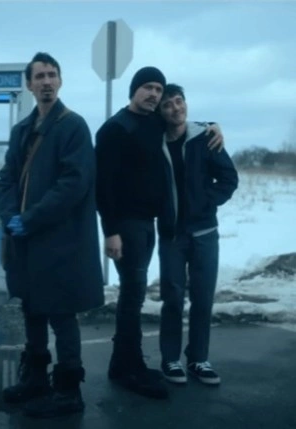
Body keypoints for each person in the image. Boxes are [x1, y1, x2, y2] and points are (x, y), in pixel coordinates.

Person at [94, 67, 224, 400]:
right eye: (148, 87)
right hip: (126, 225)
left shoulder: (152, 122)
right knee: (132, 294)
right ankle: (129, 367)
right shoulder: (114, 129)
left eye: (158, 89)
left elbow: (181, 122)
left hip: (148, 223)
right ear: (134, 90)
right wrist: (110, 231)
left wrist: (213, 125)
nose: (154, 94)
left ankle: (122, 362)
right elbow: (103, 186)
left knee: (134, 294)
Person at [0, 52, 104, 419]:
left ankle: (69, 389)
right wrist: (10, 217)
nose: (46, 81)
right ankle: (36, 379)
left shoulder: (73, 126)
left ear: (60, 81)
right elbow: (7, 179)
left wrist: (31, 218)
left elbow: (74, 183)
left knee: (61, 313)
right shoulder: (21, 131)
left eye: (52, 75)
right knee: (32, 308)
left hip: (60, 240)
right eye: (39, 76)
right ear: (29, 84)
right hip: (27, 242)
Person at [156, 84, 238, 386]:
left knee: (203, 298)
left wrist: (206, 201)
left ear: (185, 103)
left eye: (179, 102)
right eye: (167, 105)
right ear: (160, 111)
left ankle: (198, 359)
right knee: (173, 297)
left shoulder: (204, 139)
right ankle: (170, 359)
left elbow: (229, 178)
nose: (175, 108)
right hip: (171, 234)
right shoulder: (155, 142)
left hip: (205, 232)